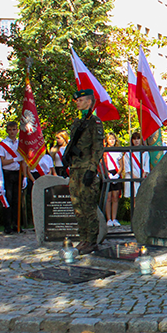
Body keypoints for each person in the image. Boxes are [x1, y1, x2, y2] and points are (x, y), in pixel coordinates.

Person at [66, 89, 105, 255]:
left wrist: (92, 168)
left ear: (89, 102)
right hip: (75, 169)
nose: (77, 102)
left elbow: (98, 148)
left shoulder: (94, 122)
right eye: (77, 100)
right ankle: (82, 239)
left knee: (88, 207)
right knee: (77, 206)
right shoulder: (77, 122)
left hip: (86, 169)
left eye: (81, 100)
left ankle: (91, 241)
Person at [0, 121, 25, 234]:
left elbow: (23, 161)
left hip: (18, 173)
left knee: (17, 200)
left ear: (17, 130)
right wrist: (14, 159)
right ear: (7, 131)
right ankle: (7, 225)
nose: (12, 132)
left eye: (14, 129)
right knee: (7, 199)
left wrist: (25, 177)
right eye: (10, 130)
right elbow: (2, 162)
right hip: (7, 173)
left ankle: (17, 224)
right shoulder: (3, 144)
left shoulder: (21, 143)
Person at [123, 132, 150, 204]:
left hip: (142, 177)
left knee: (143, 199)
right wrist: (135, 177)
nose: (136, 141)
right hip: (132, 177)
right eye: (134, 139)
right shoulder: (128, 153)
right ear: (132, 140)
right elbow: (127, 167)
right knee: (134, 199)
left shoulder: (145, 152)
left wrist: (141, 176)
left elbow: (146, 166)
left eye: (138, 138)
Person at [103, 133, 123, 227]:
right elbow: (102, 164)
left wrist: (117, 174)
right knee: (108, 197)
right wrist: (108, 174)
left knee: (115, 197)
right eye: (110, 139)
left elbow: (121, 165)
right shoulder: (104, 151)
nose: (112, 141)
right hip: (108, 173)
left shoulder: (118, 151)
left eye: (113, 139)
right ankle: (108, 219)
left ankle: (114, 218)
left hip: (116, 173)